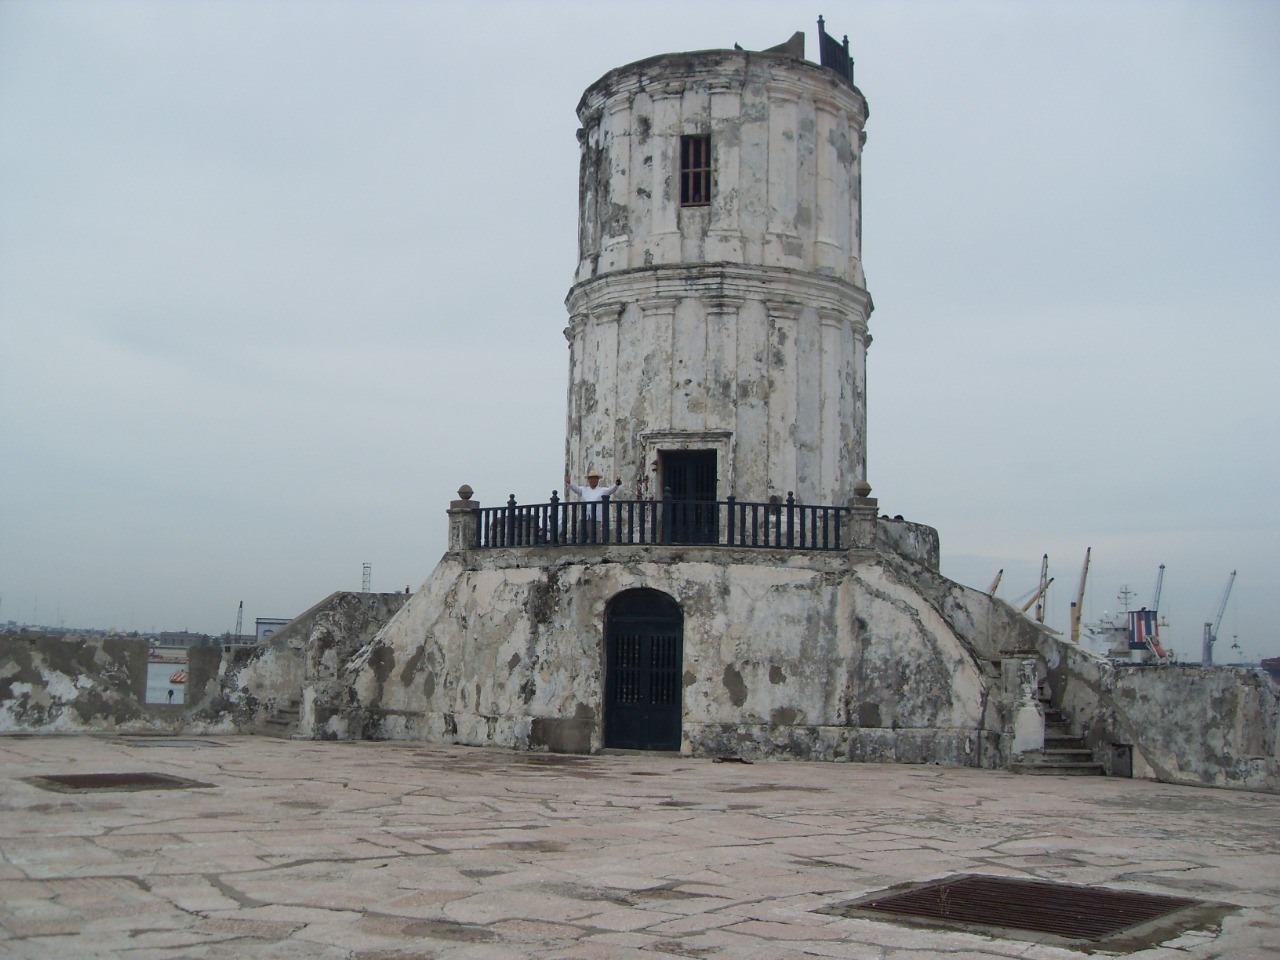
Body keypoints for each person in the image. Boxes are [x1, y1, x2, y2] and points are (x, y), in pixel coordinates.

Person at [564, 469, 622, 539]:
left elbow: (611, 490)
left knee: (594, 539)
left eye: (595, 479)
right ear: (589, 480)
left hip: (596, 519)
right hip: (584, 518)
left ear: (598, 480)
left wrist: (616, 484)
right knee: (580, 538)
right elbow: (575, 488)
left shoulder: (602, 490)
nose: (593, 480)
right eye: (591, 478)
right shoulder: (584, 490)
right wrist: (569, 483)